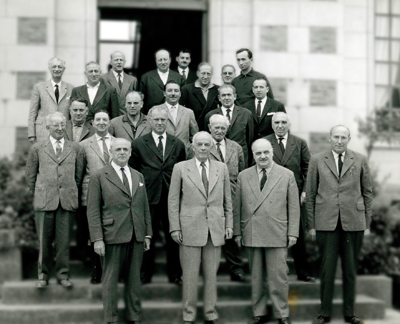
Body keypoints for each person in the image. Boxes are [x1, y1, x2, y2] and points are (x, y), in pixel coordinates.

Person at [306, 125, 373, 324]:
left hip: (354, 222)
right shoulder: (317, 159)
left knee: (350, 270)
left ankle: (350, 313)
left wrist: (367, 223)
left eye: (344, 137)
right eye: (336, 136)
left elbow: (367, 193)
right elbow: (310, 194)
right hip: (326, 222)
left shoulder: (359, 159)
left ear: (349, 139)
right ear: (329, 138)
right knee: (327, 270)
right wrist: (311, 225)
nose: (339, 140)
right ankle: (324, 313)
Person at [168, 131, 233, 324]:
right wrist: (175, 228)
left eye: (207, 144)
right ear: (193, 147)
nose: (203, 148)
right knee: (189, 275)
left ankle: (210, 313)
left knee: (211, 275)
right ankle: (189, 314)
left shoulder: (221, 168)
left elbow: (227, 199)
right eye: (200, 145)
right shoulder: (180, 168)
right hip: (189, 228)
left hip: (214, 228)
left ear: (212, 146)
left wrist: (228, 224)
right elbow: (173, 201)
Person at [234, 138, 299, 324]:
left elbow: (294, 207)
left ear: (272, 152)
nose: (262, 156)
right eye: (258, 153)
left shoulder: (286, 175)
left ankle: (282, 313)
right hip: (252, 231)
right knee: (256, 275)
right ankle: (259, 312)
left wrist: (292, 232)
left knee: (279, 275)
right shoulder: (243, 176)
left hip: (277, 231)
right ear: (253, 155)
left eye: (265, 152)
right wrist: (238, 232)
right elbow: (237, 206)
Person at [87, 138, 152, 324]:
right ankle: (111, 318)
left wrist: (147, 233)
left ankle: (134, 316)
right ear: (111, 152)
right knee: (110, 280)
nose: (122, 152)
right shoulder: (99, 176)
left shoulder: (138, 176)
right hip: (111, 234)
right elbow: (92, 210)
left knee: (134, 280)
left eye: (125, 149)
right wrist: (97, 238)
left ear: (130, 152)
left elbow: (144, 206)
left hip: (136, 234)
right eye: (118, 149)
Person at [25, 112, 84, 288]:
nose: (59, 128)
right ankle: (43, 275)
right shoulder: (37, 148)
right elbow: (30, 174)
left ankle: (63, 274)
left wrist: (69, 189)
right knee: (44, 241)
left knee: (64, 241)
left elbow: (78, 175)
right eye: (55, 125)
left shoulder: (75, 148)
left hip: (66, 200)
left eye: (62, 124)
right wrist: (39, 192)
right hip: (44, 200)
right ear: (48, 127)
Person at [129, 106, 186, 284]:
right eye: (156, 120)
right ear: (149, 121)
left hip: (171, 197)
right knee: (147, 237)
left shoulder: (177, 144)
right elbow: (134, 171)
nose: (160, 123)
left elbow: (182, 171)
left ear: (167, 121)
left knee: (173, 238)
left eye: (163, 120)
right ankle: (145, 274)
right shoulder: (139, 143)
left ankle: (175, 274)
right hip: (148, 197)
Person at [188, 114, 246, 282]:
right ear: (209, 127)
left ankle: (235, 269)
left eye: (223, 128)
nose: (219, 131)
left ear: (227, 129)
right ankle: (202, 270)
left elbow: (241, 172)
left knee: (231, 230)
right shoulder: (201, 146)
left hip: (231, 196)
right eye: (216, 127)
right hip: (208, 195)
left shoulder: (236, 148)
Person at [264, 112, 314, 282]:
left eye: (283, 122)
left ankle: (303, 271)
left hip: (295, 195)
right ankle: (270, 273)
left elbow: (309, 169)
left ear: (288, 125)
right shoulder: (265, 143)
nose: (280, 125)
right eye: (276, 122)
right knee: (271, 233)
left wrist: (305, 191)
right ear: (272, 125)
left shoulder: (299, 143)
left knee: (297, 233)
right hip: (271, 195)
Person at [79, 111, 115, 284]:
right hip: (91, 193)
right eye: (98, 120)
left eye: (105, 120)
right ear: (93, 123)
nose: (101, 122)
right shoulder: (84, 145)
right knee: (94, 232)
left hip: (113, 194)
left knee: (112, 232)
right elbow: (79, 173)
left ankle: (113, 271)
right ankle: (96, 271)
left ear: (109, 123)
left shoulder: (119, 143)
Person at [205, 84, 255, 167]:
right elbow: (208, 138)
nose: (226, 98)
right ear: (219, 98)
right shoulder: (210, 115)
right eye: (223, 95)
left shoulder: (246, 114)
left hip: (238, 157)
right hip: (216, 158)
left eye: (229, 95)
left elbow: (250, 139)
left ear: (235, 96)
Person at [28, 58, 74, 144]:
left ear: (64, 69)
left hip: (64, 132)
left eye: (59, 67)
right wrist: (31, 134)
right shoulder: (39, 87)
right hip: (43, 132)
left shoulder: (71, 88)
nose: (57, 69)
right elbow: (32, 112)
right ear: (49, 68)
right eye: (54, 66)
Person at [152, 80, 198, 148]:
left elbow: (195, 136)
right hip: (162, 152)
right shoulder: (154, 110)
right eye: (170, 90)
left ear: (180, 94)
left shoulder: (188, 112)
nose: (173, 93)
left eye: (176, 91)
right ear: (164, 93)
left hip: (184, 154)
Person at [140, 49, 184, 115]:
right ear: (156, 61)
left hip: (174, 115)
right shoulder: (146, 77)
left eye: (165, 59)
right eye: (160, 60)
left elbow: (183, 99)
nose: (163, 62)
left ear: (170, 60)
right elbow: (141, 100)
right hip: (152, 116)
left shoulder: (179, 77)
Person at [180, 62, 220, 131]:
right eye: (203, 73)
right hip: (193, 129)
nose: (206, 76)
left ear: (212, 75)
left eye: (208, 74)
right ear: (198, 73)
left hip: (212, 129)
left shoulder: (217, 89)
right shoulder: (187, 89)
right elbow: (181, 111)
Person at [102, 51, 138, 115]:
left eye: (121, 60)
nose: (119, 62)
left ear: (124, 62)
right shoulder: (103, 79)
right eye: (116, 60)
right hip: (110, 117)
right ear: (111, 62)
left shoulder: (132, 80)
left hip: (127, 117)